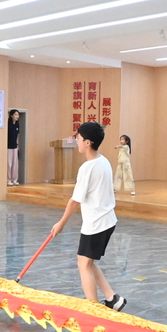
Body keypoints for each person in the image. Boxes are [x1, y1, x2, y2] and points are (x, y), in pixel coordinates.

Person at [51, 122, 126, 311]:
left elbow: (74, 201)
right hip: (107, 220)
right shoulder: (104, 161)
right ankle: (112, 298)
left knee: (83, 264)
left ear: (88, 142)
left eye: (78, 138)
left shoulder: (88, 167)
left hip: (96, 223)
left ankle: (93, 310)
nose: (76, 141)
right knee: (87, 262)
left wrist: (61, 223)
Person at [7, 109, 20, 186]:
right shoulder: (8, 125)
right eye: (15, 114)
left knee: (15, 164)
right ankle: (8, 180)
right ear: (11, 115)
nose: (17, 116)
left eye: (18, 115)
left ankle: (14, 179)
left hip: (15, 147)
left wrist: (18, 146)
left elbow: (17, 136)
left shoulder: (17, 125)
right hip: (8, 147)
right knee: (9, 164)